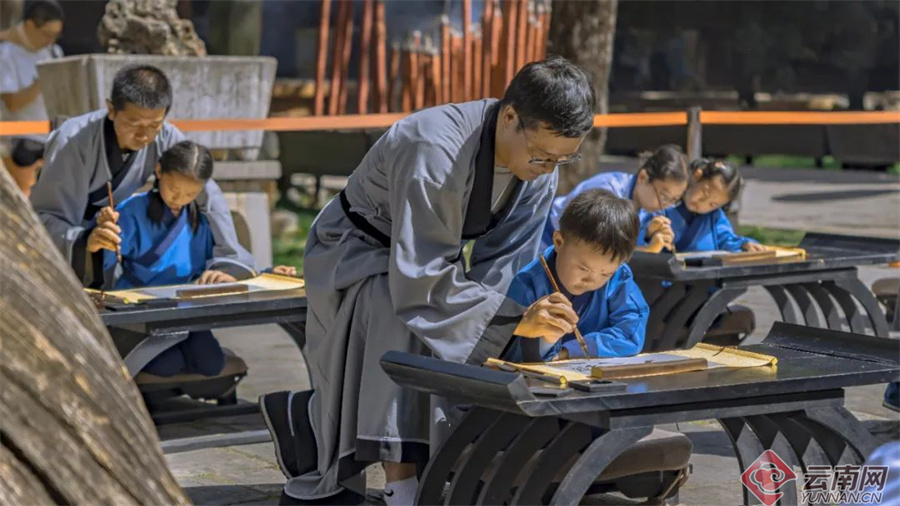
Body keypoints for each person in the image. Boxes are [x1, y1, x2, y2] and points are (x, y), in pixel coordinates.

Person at [259, 57, 595, 505]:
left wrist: (513, 321)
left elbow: (505, 265)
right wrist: (504, 320)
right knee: (400, 310)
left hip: (426, 261)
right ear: (510, 116)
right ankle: (402, 480)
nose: (548, 168)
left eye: (562, 159)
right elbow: (420, 278)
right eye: (541, 155)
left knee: (479, 332)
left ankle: (311, 418)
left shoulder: (538, 168)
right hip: (355, 250)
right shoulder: (434, 147)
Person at [30, 64, 256, 288]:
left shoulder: (165, 135)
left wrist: (228, 260)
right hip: (70, 234)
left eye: (154, 125)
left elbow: (207, 191)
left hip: (110, 233)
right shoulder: (72, 140)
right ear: (111, 110)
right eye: (133, 123)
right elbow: (47, 215)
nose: (144, 135)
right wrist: (84, 240)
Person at [505, 189, 648, 362]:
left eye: (605, 273)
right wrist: (545, 341)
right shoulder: (527, 284)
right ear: (559, 242)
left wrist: (570, 351)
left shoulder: (619, 277)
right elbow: (508, 351)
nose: (592, 280)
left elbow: (631, 333)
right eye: (583, 268)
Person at [541, 144, 688, 252]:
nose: (666, 205)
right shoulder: (607, 192)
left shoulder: (648, 207)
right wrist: (649, 250)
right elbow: (599, 250)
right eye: (664, 196)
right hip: (547, 237)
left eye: (674, 200)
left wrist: (650, 234)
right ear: (643, 177)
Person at [644, 158, 765, 253]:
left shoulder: (714, 217)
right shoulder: (664, 204)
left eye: (712, 204)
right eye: (704, 193)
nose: (703, 203)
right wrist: (649, 233)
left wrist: (744, 244)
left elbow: (727, 240)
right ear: (697, 176)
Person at [0, 0, 63, 170]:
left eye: (55, 35)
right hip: (17, 142)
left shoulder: (54, 52)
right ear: (29, 25)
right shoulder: (7, 53)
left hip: (49, 138)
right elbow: (12, 104)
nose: (50, 40)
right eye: (46, 34)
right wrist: (42, 80)